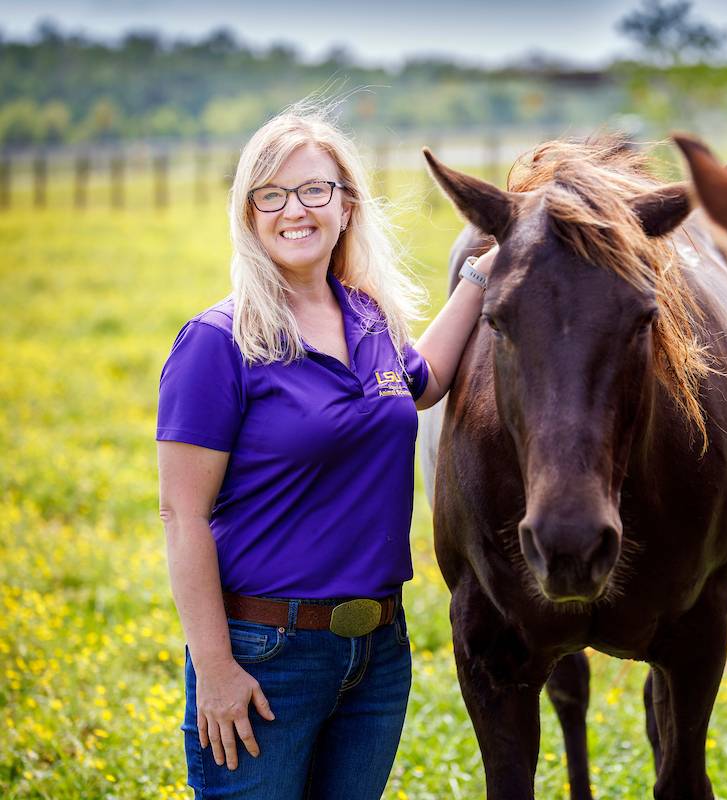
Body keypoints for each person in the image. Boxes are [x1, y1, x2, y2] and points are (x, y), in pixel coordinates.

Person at [156, 104, 493, 799]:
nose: (294, 210)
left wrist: (481, 278)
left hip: (378, 652)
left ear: (346, 206)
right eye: (271, 195)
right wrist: (215, 670)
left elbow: (421, 385)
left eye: (314, 190)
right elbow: (181, 516)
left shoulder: (368, 316)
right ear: (249, 214)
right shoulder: (218, 342)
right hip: (264, 654)